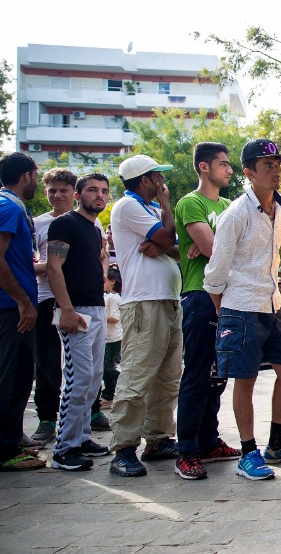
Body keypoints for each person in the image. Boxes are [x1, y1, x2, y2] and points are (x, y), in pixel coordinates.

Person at [205, 139, 281, 480]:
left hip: (272, 305)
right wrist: (225, 314)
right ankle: (248, 452)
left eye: (278, 163)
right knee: (244, 380)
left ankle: (277, 443)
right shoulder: (235, 213)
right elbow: (215, 273)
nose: (276, 169)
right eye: (267, 165)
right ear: (248, 173)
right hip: (240, 308)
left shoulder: (280, 206)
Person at [108, 154, 182, 477]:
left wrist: (164, 241)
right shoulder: (128, 206)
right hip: (143, 302)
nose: (161, 183)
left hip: (167, 298)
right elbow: (168, 238)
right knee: (137, 374)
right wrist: (166, 222)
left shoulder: (149, 210)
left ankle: (158, 438)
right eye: (157, 177)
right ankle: (123, 447)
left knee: (167, 376)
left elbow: (176, 246)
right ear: (145, 180)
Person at [174, 143, 240, 480]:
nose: (229, 170)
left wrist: (214, 246)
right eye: (223, 164)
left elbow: (242, 248)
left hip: (229, 297)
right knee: (198, 373)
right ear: (204, 167)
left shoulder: (231, 205)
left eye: (230, 165)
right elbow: (216, 248)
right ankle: (186, 449)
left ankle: (209, 440)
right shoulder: (190, 202)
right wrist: (212, 245)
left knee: (218, 374)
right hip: (200, 296)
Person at [45, 173, 112, 470]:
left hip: (96, 308)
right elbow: (53, 267)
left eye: (104, 191)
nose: (99, 195)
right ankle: (64, 449)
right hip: (76, 311)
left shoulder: (94, 228)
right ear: (78, 194)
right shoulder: (64, 223)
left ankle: (82, 437)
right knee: (77, 379)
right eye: (92, 190)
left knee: (93, 378)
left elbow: (100, 258)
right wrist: (67, 309)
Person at [0, 152, 44, 471]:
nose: (38, 181)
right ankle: (5, 450)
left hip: (17, 307)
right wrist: (23, 301)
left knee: (19, 376)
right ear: (26, 175)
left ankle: (13, 438)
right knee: (10, 378)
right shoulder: (8, 205)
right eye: (37, 175)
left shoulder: (15, 206)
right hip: (10, 309)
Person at [29, 168, 78, 445]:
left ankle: (90, 413)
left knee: (84, 363)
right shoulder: (36, 224)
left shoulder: (88, 222)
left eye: (63, 190)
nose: (57, 195)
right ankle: (47, 419)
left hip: (80, 299)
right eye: (52, 190)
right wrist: (51, 267)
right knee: (47, 363)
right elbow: (26, 265)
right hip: (46, 298)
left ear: (74, 193)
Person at [102, 266, 122, 407]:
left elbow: (115, 317)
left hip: (114, 338)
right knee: (105, 369)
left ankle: (124, 381)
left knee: (108, 368)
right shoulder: (108, 297)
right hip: (107, 338)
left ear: (112, 281)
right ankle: (108, 396)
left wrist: (98, 315)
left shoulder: (114, 298)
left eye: (105, 280)